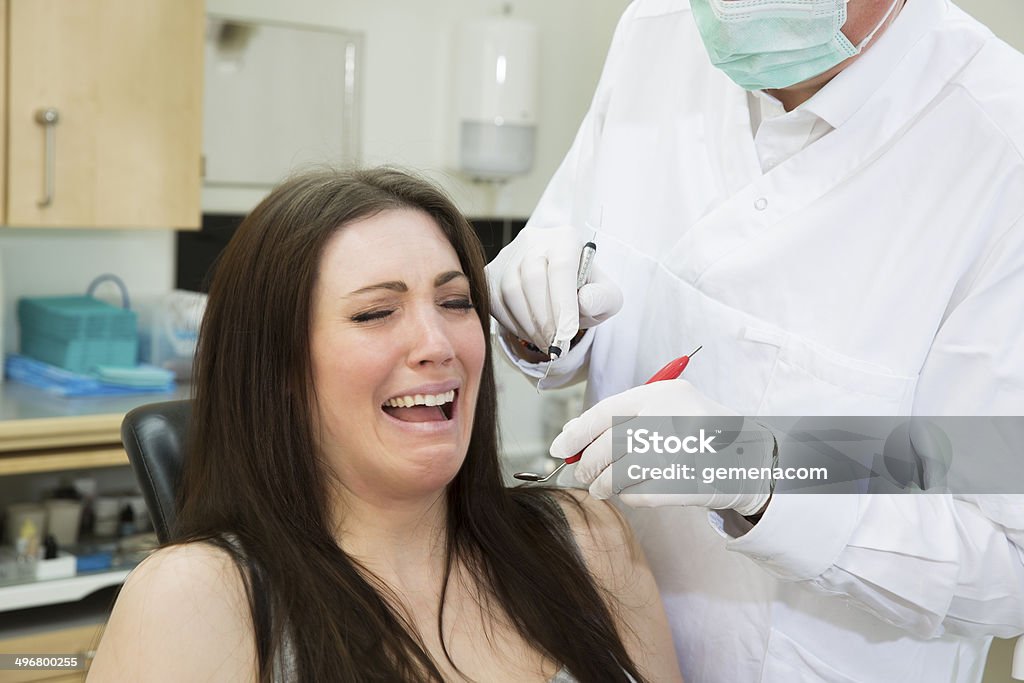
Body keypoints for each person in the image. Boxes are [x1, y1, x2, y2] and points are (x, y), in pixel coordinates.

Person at [486, 0, 1024, 681]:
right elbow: (572, 262)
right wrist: (537, 318)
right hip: (608, 648)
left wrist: (760, 469)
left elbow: (1007, 557)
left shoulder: (1003, 146)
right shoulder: (654, 34)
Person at [87, 168, 682, 682]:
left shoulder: (585, 540)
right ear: (276, 368)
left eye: (455, 303)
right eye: (376, 313)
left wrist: (753, 463)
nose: (437, 344)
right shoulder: (196, 600)